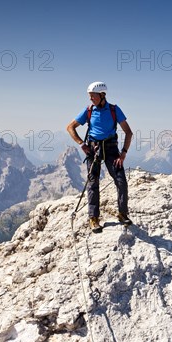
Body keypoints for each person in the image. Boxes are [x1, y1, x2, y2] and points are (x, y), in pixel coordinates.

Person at [66, 81, 133, 232]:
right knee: (93, 182)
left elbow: (128, 132)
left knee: (121, 181)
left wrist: (123, 153)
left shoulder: (114, 110)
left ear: (102, 95)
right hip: (93, 149)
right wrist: (81, 144)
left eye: (93, 96)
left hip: (111, 149)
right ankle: (93, 218)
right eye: (89, 96)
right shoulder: (89, 110)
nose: (90, 99)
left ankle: (122, 214)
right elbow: (70, 127)